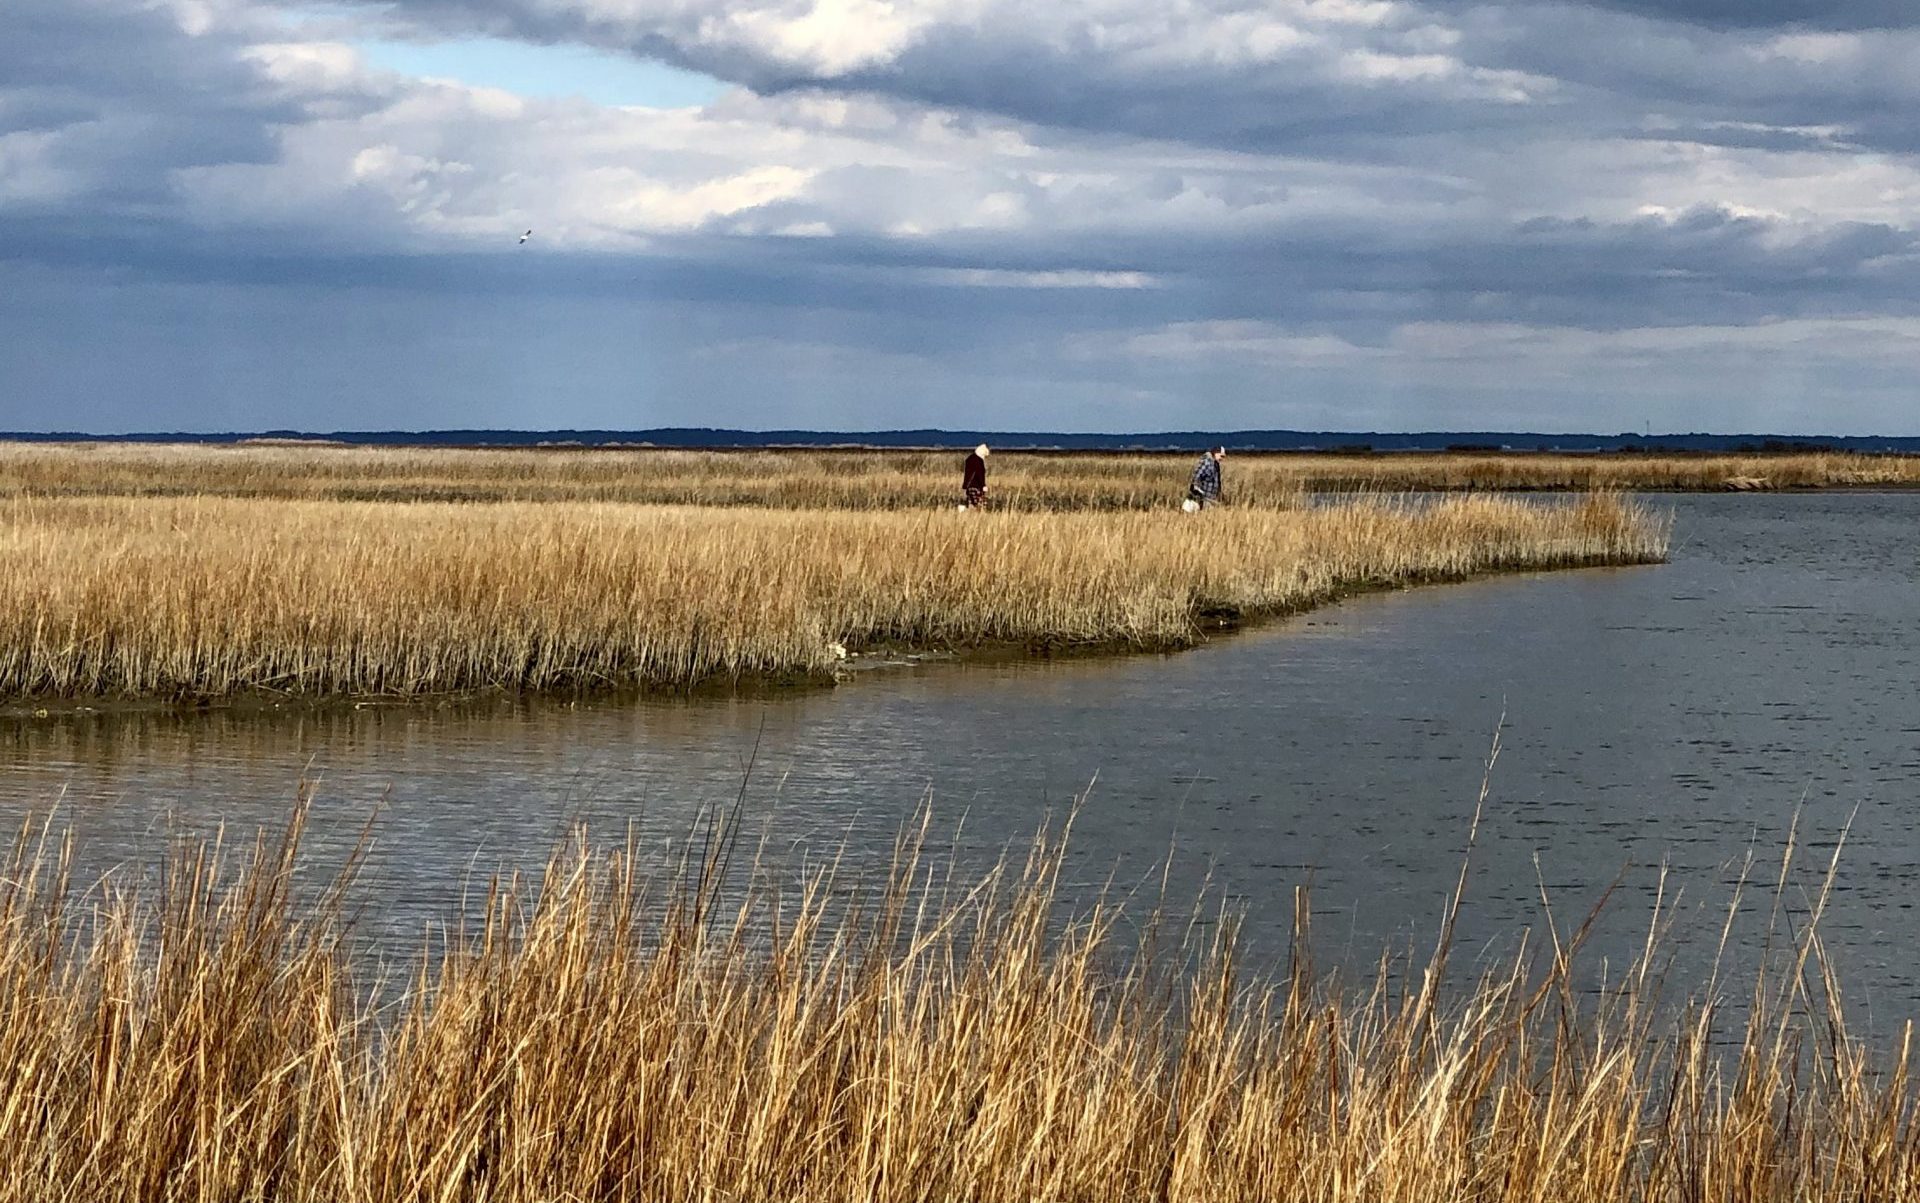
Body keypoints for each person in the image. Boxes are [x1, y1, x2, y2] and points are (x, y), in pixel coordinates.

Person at [1186, 446, 1225, 510]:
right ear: (1215, 453)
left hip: (1211, 498)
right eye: (1221, 456)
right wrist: (1198, 493)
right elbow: (1196, 476)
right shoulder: (1206, 462)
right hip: (1203, 498)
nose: (1222, 459)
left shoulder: (1216, 464)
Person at [962, 443, 990, 509]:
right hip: (977, 486)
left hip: (969, 486)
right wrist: (983, 485)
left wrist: (965, 485)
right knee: (980, 505)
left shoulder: (970, 459)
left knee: (971, 504)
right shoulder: (979, 461)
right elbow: (980, 474)